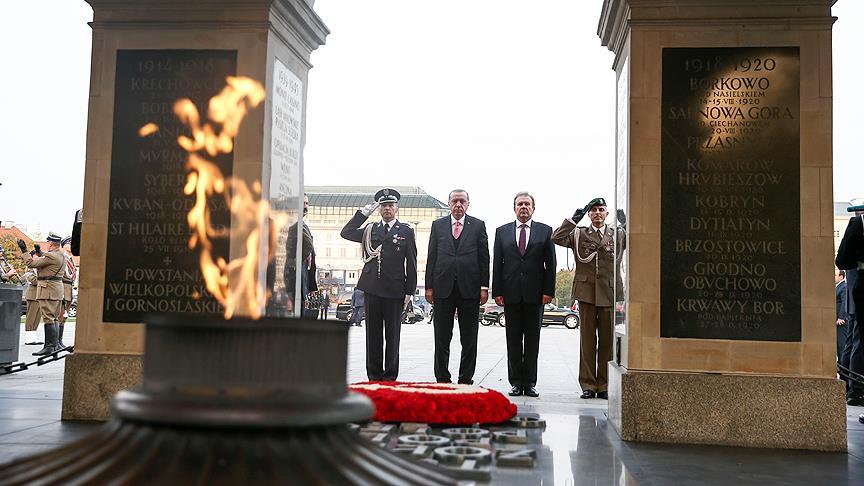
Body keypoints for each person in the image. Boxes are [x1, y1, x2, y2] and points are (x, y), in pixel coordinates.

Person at [341, 188, 418, 381]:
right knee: (372, 335)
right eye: (383, 206)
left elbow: (412, 262)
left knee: (393, 336)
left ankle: (390, 376)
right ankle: (374, 376)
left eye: (390, 205)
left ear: (396, 208)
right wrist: (363, 214)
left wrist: (410, 292)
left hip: (395, 290)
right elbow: (346, 232)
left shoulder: (406, 231)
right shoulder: (370, 229)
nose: (387, 209)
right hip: (372, 288)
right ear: (379, 209)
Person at [552, 198, 624, 400]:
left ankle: (604, 385)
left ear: (607, 214)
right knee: (588, 340)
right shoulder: (579, 234)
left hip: (609, 293)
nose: (598, 213)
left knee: (607, 342)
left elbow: (637, 240)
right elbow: (556, 237)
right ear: (589, 214)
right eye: (593, 211)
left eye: (601, 210)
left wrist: (626, 224)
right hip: (586, 293)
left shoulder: (617, 234)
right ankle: (588, 384)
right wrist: (574, 219)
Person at [491, 192, 556, 398]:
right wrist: (497, 291)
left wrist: (548, 291)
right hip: (510, 295)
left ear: (533, 208)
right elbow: (497, 264)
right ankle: (516, 383)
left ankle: (530, 382)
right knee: (513, 340)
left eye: (527, 204)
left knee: (532, 340)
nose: (524, 207)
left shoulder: (545, 231)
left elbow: (551, 264)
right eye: (520, 204)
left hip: (535, 295)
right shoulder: (501, 232)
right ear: (514, 208)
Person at [425, 189, 490, 384]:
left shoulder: (478, 226)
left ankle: (465, 378)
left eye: (462, 201)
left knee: (469, 338)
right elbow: (432, 257)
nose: (458, 204)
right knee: (442, 337)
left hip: (469, 289)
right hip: (442, 289)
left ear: (468, 204)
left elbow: (484, 258)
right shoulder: (438, 226)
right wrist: (429, 287)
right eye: (455, 201)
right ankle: (442, 377)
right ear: (449, 203)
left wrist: (484, 286)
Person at [17, 233, 66, 356]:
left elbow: (31, 263)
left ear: (50, 244)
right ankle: (54, 345)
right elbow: (46, 260)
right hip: (57, 290)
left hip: (47, 290)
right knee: (54, 317)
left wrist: (24, 250)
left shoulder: (50, 256)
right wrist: (40, 253)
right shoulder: (61, 255)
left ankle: (49, 346)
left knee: (48, 317)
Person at [836, 201, 864, 406]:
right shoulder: (858, 223)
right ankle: (855, 389)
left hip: (860, 286)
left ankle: (856, 390)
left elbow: (843, 260)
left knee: (857, 342)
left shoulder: (858, 223)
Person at [284, 194, 318, 316]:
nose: (305, 207)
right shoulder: (294, 225)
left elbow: (311, 257)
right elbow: (309, 246)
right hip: (292, 283)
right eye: (302, 203)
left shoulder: (302, 225)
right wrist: (295, 261)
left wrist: (311, 286)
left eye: (306, 203)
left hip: (301, 283)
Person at [58, 236, 77, 349]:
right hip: (63, 289)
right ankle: (56, 341)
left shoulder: (70, 259)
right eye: (68, 243)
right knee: (60, 315)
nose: (70, 245)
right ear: (63, 245)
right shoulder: (62, 258)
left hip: (69, 290)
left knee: (64, 317)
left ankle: (60, 340)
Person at [837, 269, 850, 389]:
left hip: (840, 323)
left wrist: (841, 317)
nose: (834, 277)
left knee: (842, 349)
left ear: (841, 276)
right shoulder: (837, 286)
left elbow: (844, 302)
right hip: (835, 324)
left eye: (835, 275)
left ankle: (844, 377)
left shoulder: (844, 287)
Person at [22, 270, 42, 345]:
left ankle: (33, 337)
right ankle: (28, 338)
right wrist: (45, 279)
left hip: (40, 296)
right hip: (32, 296)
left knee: (37, 318)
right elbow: (33, 281)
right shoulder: (30, 270)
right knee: (31, 317)